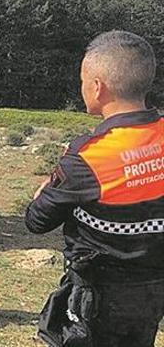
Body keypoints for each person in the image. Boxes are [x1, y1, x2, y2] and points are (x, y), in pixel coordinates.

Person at [26, 30, 163, 347]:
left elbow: (36, 221)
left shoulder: (88, 157)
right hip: (153, 293)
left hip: (98, 300)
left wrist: (47, 186)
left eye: (83, 80)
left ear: (97, 87)